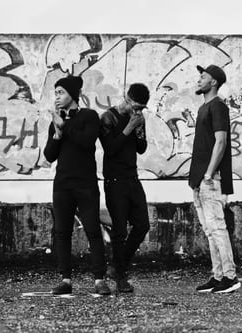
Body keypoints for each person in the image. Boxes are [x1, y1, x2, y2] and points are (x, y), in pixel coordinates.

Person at [43, 75, 111, 296]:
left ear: (73, 95)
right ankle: (65, 280)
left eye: (61, 92)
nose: (57, 97)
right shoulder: (56, 121)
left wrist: (66, 126)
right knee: (62, 232)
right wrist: (57, 133)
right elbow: (49, 155)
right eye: (56, 93)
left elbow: (86, 141)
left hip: (86, 184)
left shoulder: (89, 116)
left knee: (92, 230)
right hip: (62, 184)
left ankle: (99, 279)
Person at [189, 65, 241, 294]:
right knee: (210, 231)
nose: (199, 79)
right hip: (200, 180)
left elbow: (221, 142)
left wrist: (209, 174)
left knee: (218, 228)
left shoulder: (218, 106)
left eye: (203, 77)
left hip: (212, 179)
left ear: (213, 82)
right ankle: (218, 275)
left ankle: (230, 276)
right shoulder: (205, 107)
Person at [99, 83, 150, 293]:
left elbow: (141, 148)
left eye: (141, 108)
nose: (137, 111)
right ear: (125, 98)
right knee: (119, 230)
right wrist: (129, 127)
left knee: (142, 225)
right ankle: (121, 277)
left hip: (132, 177)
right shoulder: (108, 118)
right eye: (135, 106)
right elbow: (110, 149)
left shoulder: (138, 119)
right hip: (114, 180)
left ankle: (117, 265)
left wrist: (138, 129)